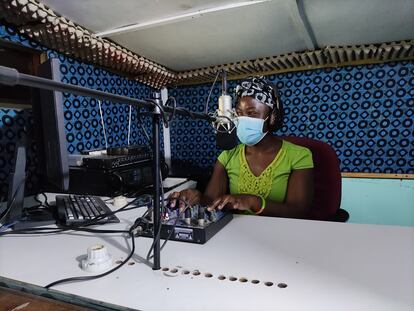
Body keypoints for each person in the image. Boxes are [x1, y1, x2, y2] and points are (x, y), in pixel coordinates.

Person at [169, 77, 314, 218]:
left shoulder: (299, 155)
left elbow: (298, 211)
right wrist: (197, 198)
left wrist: (253, 202)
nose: (242, 119)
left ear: (272, 117)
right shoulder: (228, 156)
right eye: (238, 113)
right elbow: (210, 203)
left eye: (251, 113)